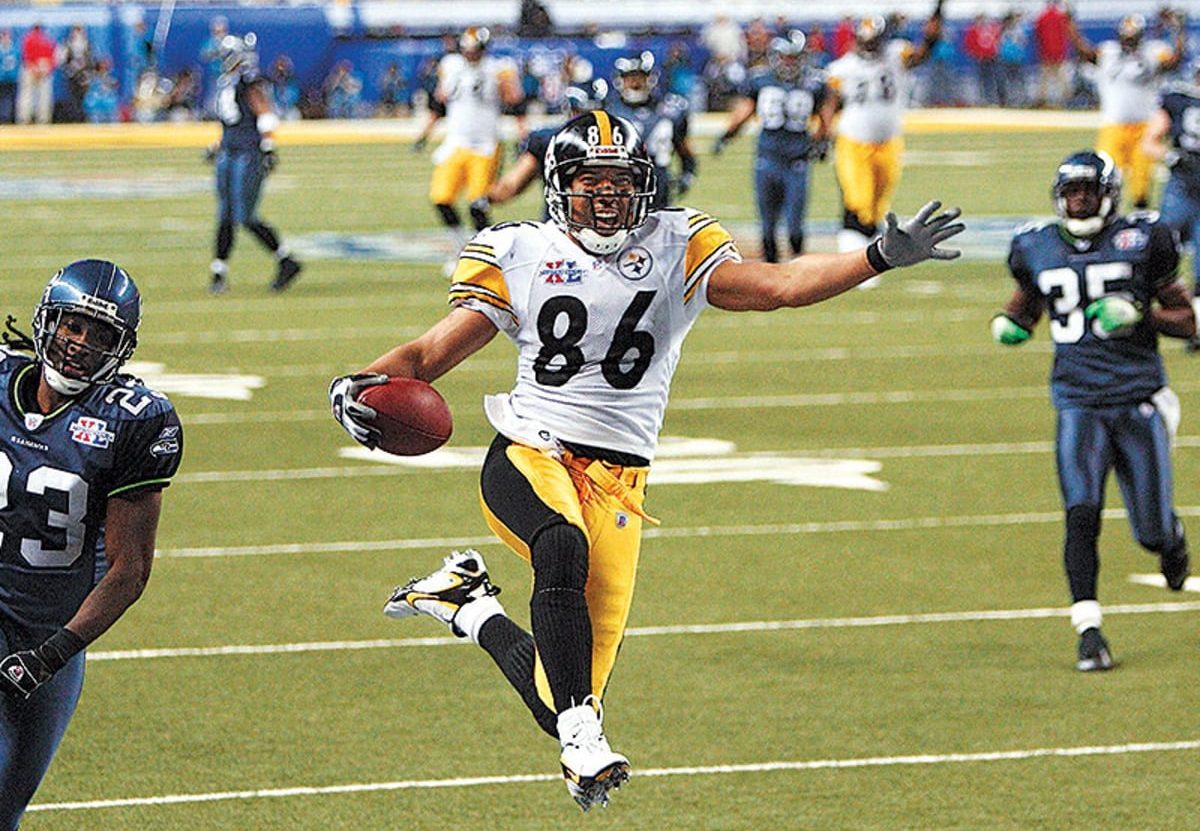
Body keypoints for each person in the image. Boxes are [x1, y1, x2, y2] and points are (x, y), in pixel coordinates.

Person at [329, 111, 964, 810]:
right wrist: (356, 383)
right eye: (590, 182)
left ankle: (464, 605)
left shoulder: (675, 244)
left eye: (619, 182)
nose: (605, 197)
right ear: (558, 186)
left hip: (621, 482)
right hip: (530, 451)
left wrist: (876, 256)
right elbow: (423, 358)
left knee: (556, 689)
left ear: (644, 185)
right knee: (561, 551)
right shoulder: (519, 251)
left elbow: (780, 286)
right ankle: (583, 736)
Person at [991, 150, 1193, 671]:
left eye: (1087, 190)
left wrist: (1142, 316)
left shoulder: (1143, 240)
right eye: (1071, 191)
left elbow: (1189, 321)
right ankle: (1088, 631)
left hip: (1137, 398)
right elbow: (1026, 302)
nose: (1078, 200)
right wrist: (1011, 324)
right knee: (1081, 513)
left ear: (1109, 193)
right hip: (1077, 400)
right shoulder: (1034, 245)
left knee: (1149, 529)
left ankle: (1170, 542)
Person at [0, 259, 183, 829]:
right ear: (46, 320)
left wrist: (52, 654)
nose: (79, 344)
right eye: (72, 325)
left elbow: (128, 572)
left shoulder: (135, 420)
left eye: (100, 335)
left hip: (46, 636)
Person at [826, 8, 944, 256]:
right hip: (853, 142)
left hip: (889, 141)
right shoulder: (841, 68)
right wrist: (822, 134)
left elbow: (922, 54)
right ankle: (852, 256)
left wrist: (932, 38)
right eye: (865, 41)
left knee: (879, 204)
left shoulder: (896, 54)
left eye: (874, 41)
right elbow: (831, 104)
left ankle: (870, 258)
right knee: (858, 201)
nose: (869, 47)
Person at [713, 30, 836, 262]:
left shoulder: (814, 82)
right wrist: (727, 135)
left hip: (797, 159)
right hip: (767, 159)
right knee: (767, 228)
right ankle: (770, 278)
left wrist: (823, 141)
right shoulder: (760, 79)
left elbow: (825, 113)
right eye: (786, 56)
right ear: (776, 56)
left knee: (795, 228)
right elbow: (746, 111)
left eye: (794, 57)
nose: (790, 62)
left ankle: (799, 274)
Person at [206, 33, 302, 294]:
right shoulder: (226, 83)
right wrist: (215, 145)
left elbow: (265, 114)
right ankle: (219, 271)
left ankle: (286, 260)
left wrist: (269, 148)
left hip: (248, 152)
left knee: (245, 216)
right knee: (225, 214)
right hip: (229, 150)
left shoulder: (249, 82)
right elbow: (231, 122)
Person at [426, 26, 522, 275]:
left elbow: (515, 100)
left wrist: (522, 132)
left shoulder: (499, 69)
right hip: (456, 142)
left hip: (486, 145)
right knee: (441, 198)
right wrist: (426, 132)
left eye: (474, 50)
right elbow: (439, 102)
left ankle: (486, 256)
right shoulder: (450, 66)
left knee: (477, 205)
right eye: (466, 50)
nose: (470, 55)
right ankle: (459, 251)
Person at [1068, 11, 1186, 209]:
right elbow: (1084, 52)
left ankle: (1140, 222)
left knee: (1140, 185)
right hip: (1114, 125)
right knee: (1103, 174)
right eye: (1126, 37)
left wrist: (1178, 31)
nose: (1129, 42)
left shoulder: (1153, 52)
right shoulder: (1108, 52)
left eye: (1133, 37)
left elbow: (1174, 62)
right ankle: (1104, 218)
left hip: (1144, 127)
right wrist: (1069, 23)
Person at [1143, 58, 1200, 350]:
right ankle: (1147, 313)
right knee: (1161, 252)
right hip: (1182, 186)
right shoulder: (1178, 100)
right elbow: (1149, 141)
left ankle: (1196, 327)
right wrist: (1171, 156)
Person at [607, 51, 697, 208]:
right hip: (621, 185)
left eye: (639, 77)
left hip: (659, 184)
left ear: (650, 78)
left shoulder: (670, 109)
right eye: (630, 77)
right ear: (620, 80)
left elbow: (683, 145)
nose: (635, 83)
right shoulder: (609, 113)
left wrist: (688, 171)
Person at [16, 23, 56, 126]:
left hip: (30, 69)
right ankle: (43, 121)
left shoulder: (28, 38)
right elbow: (53, 58)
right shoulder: (48, 39)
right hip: (43, 69)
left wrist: (34, 68)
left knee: (27, 95)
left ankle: (24, 120)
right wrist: (44, 69)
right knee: (43, 96)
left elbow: (25, 56)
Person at [1034, 0, 1071, 108]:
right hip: (1058, 50)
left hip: (1046, 51)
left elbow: (1039, 36)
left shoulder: (1041, 17)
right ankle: (1067, 98)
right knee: (1061, 75)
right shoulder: (1060, 16)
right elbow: (1064, 34)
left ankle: (1042, 98)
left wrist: (1042, 51)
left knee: (1045, 76)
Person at [0, 30, 17, 124]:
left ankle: (6, 119)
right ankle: (4, 118)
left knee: (8, 100)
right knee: (5, 100)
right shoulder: (13, 49)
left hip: (10, 79)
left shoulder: (14, 49)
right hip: (3, 79)